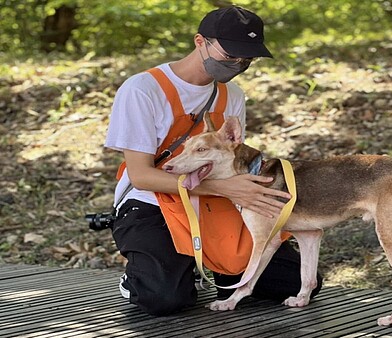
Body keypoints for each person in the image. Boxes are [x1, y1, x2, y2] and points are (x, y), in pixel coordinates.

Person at [104, 6, 322, 316]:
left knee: (291, 283)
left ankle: (220, 268)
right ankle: (141, 277)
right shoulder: (143, 90)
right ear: (200, 42)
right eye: (231, 54)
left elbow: (235, 161)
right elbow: (141, 176)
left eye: (247, 58)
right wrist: (225, 189)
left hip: (213, 201)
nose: (238, 63)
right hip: (152, 202)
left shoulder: (231, 95)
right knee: (165, 299)